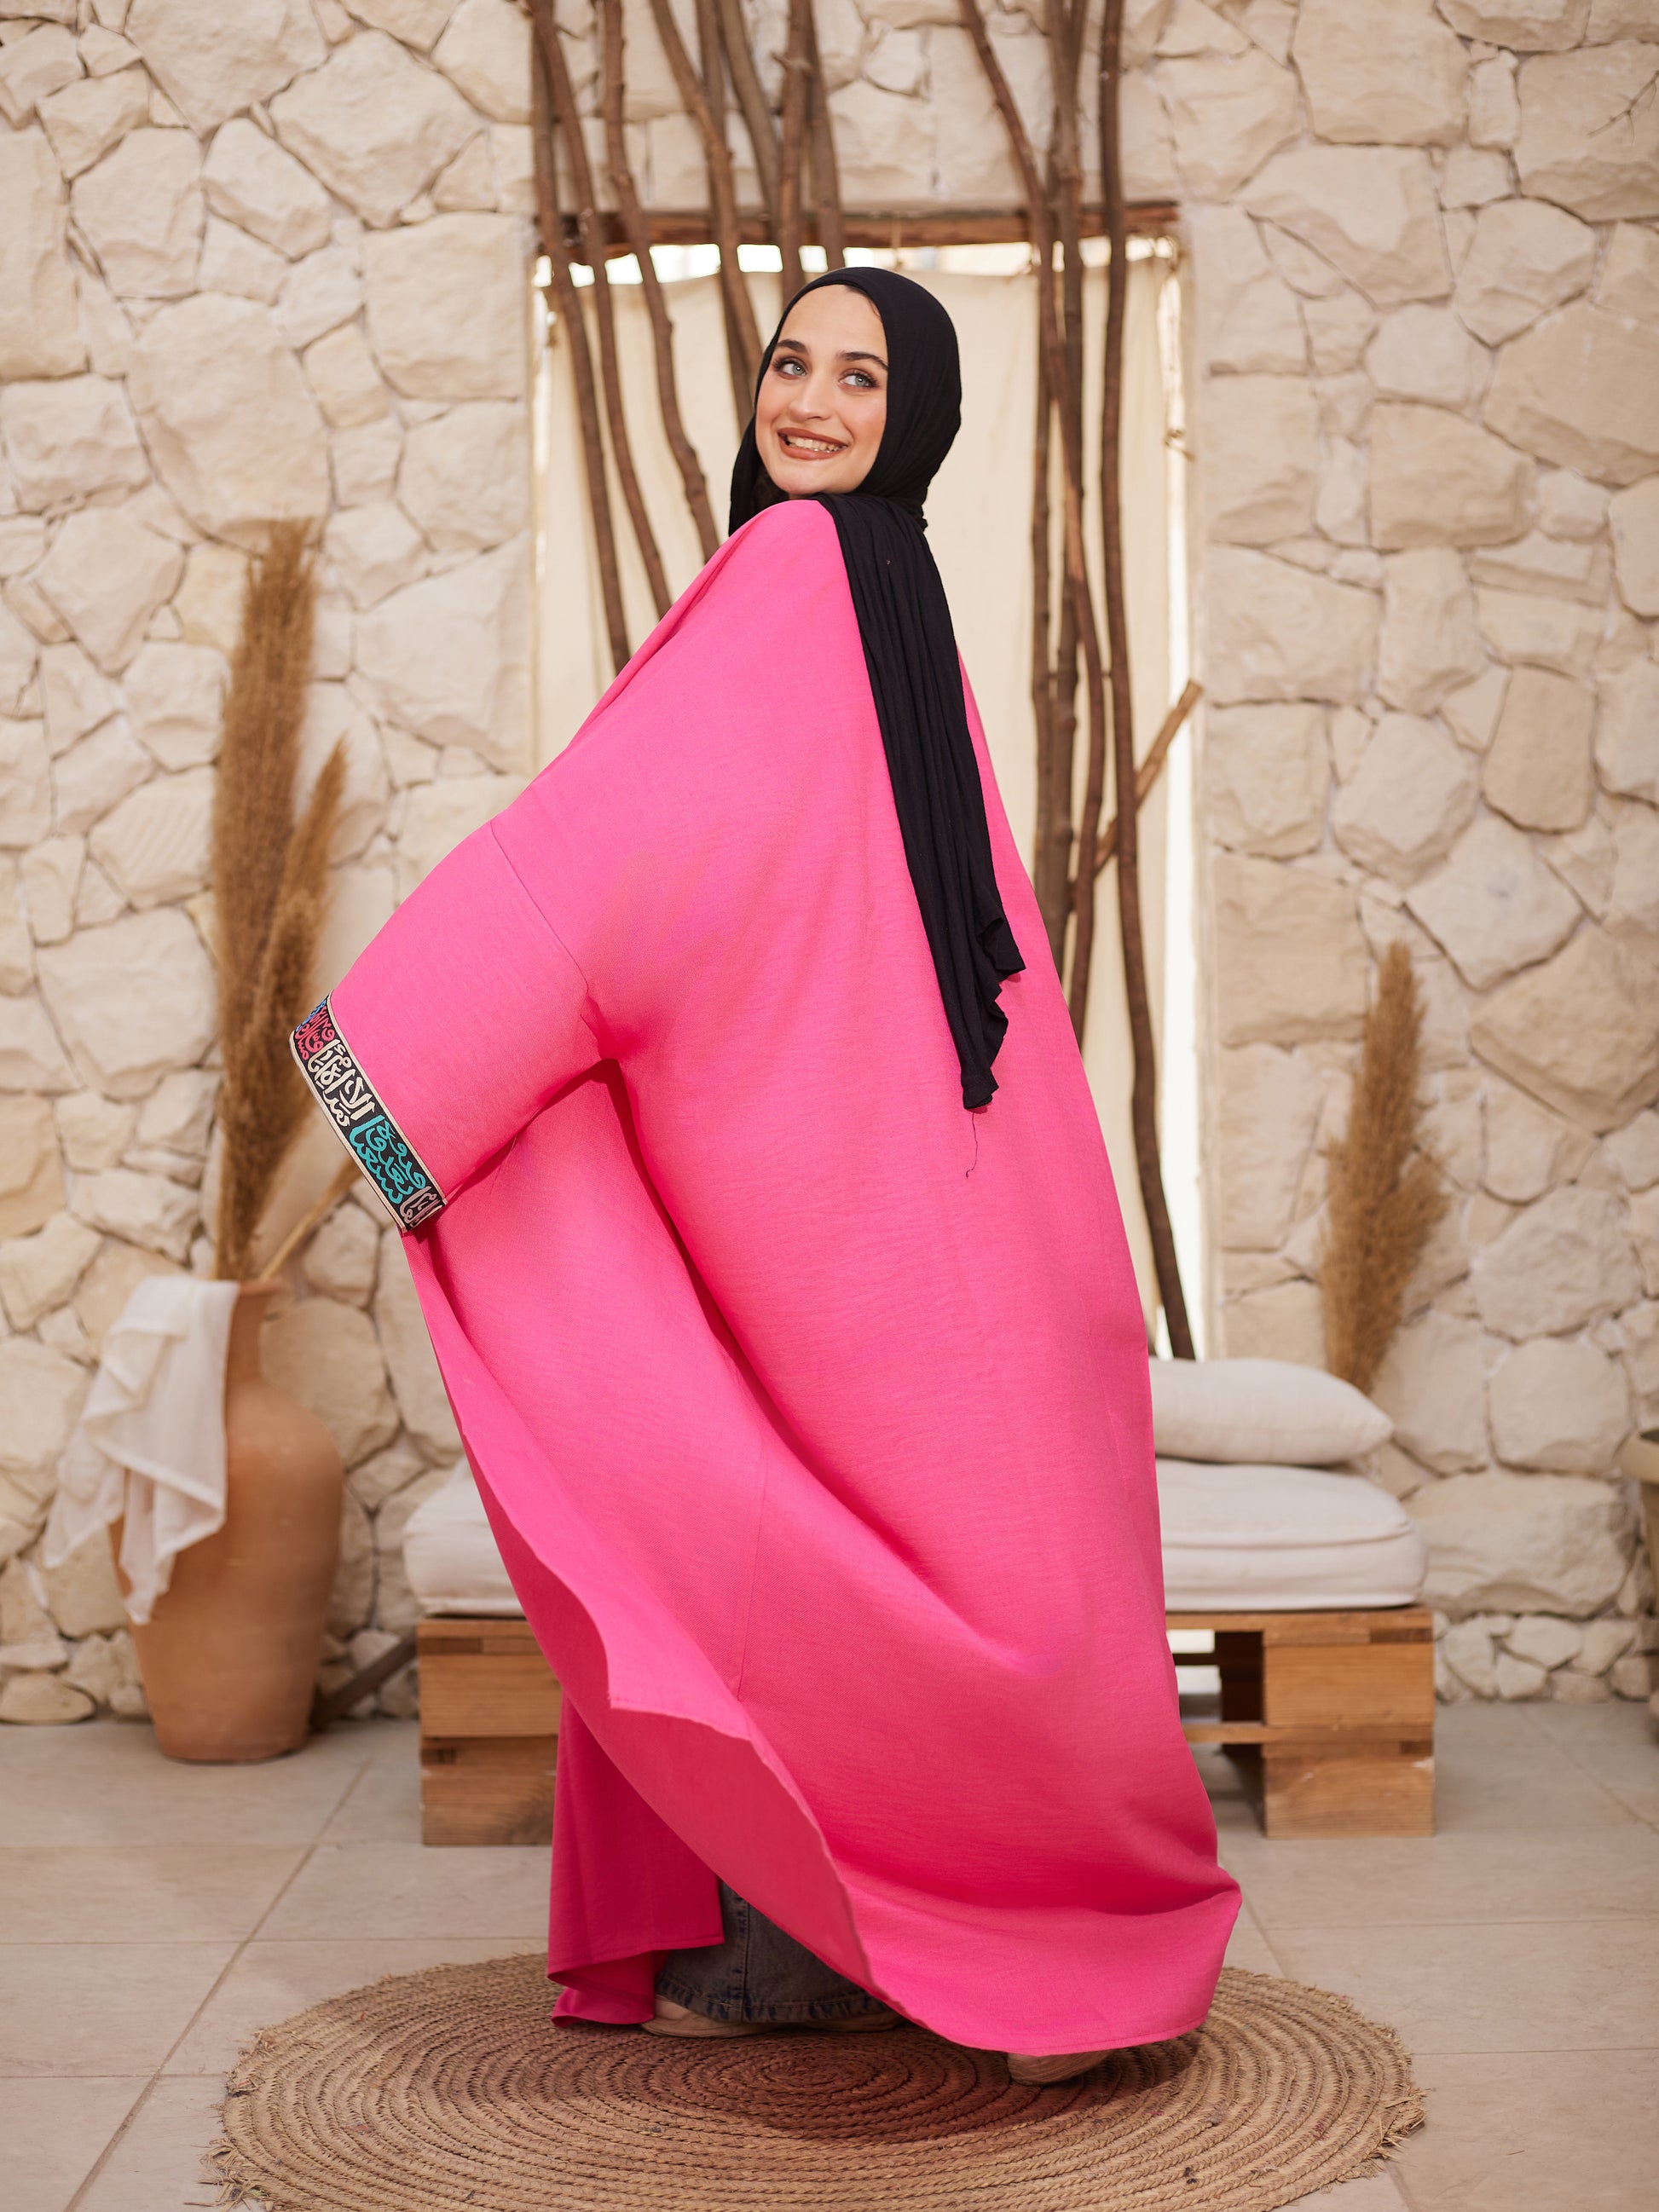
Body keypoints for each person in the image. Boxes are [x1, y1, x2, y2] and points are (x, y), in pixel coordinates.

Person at [292, 268, 1238, 2086]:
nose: (808, 400)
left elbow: (619, 855)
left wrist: (406, 1044)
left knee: (733, 1505)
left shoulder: (802, 567)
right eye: (789, 363)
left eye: (860, 376)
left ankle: (798, 1955)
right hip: (936, 1176)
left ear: (918, 411)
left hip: (829, 1176)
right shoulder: (894, 592)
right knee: (916, 1526)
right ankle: (993, 1926)